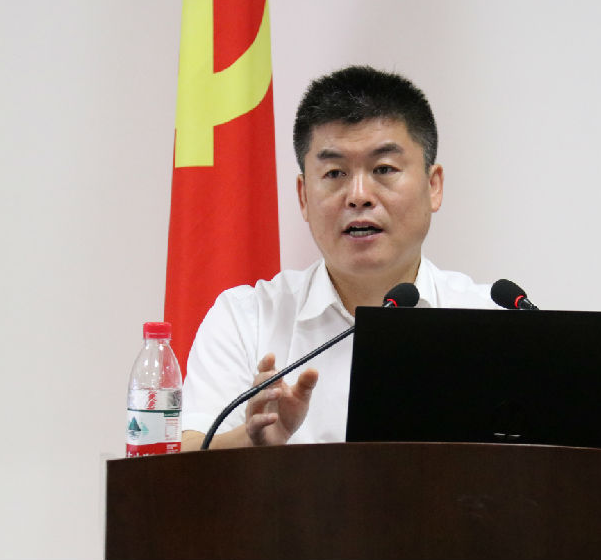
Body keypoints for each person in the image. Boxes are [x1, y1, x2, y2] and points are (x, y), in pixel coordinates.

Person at [181, 66, 497, 450]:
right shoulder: (246, 319)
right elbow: (184, 457)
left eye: (384, 169)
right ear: (303, 196)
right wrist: (251, 441)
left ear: (433, 186)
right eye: (334, 173)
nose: (359, 196)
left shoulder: (495, 322)